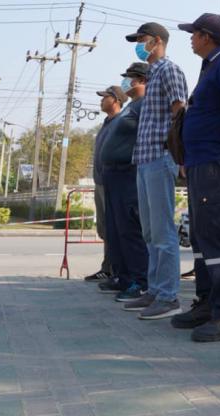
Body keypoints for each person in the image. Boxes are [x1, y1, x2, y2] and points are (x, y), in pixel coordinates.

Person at [170, 13, 220, 342]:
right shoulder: (209, 66)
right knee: (202, 237)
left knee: (218, 236)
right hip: (201, 162)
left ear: (206, 36)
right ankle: (207, 303)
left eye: (193, 33)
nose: (190, 38)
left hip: (216, 160)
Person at [125, 22, 188, 321]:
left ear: (158, 41)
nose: (140, 45)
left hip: (162, 157)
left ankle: (168, 296)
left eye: (143, 39)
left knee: (163, 231)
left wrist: (182, 154)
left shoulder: (169, 70)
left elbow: (180, 111)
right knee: (150, 231)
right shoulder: (152, 76)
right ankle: (154, 290)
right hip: (144, 158)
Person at [98, 69, 149, 301]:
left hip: (128, 173)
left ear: (142, 80)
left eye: (131, 77)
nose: (126, 81)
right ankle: (123, 277)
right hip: (112, 175)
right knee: (116, 230)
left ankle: (140, 281)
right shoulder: (132, 106)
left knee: (130, 229)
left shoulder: (145, 105)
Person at [86, 84, 122, 284]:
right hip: (100, 182)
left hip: (112, 182)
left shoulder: (121, 121)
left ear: (115, 100)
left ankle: (116, 269)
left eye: (105, 97)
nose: (101, 100)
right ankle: (107, 268)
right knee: (104, 229)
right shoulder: (107, 123)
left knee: (114, 228)